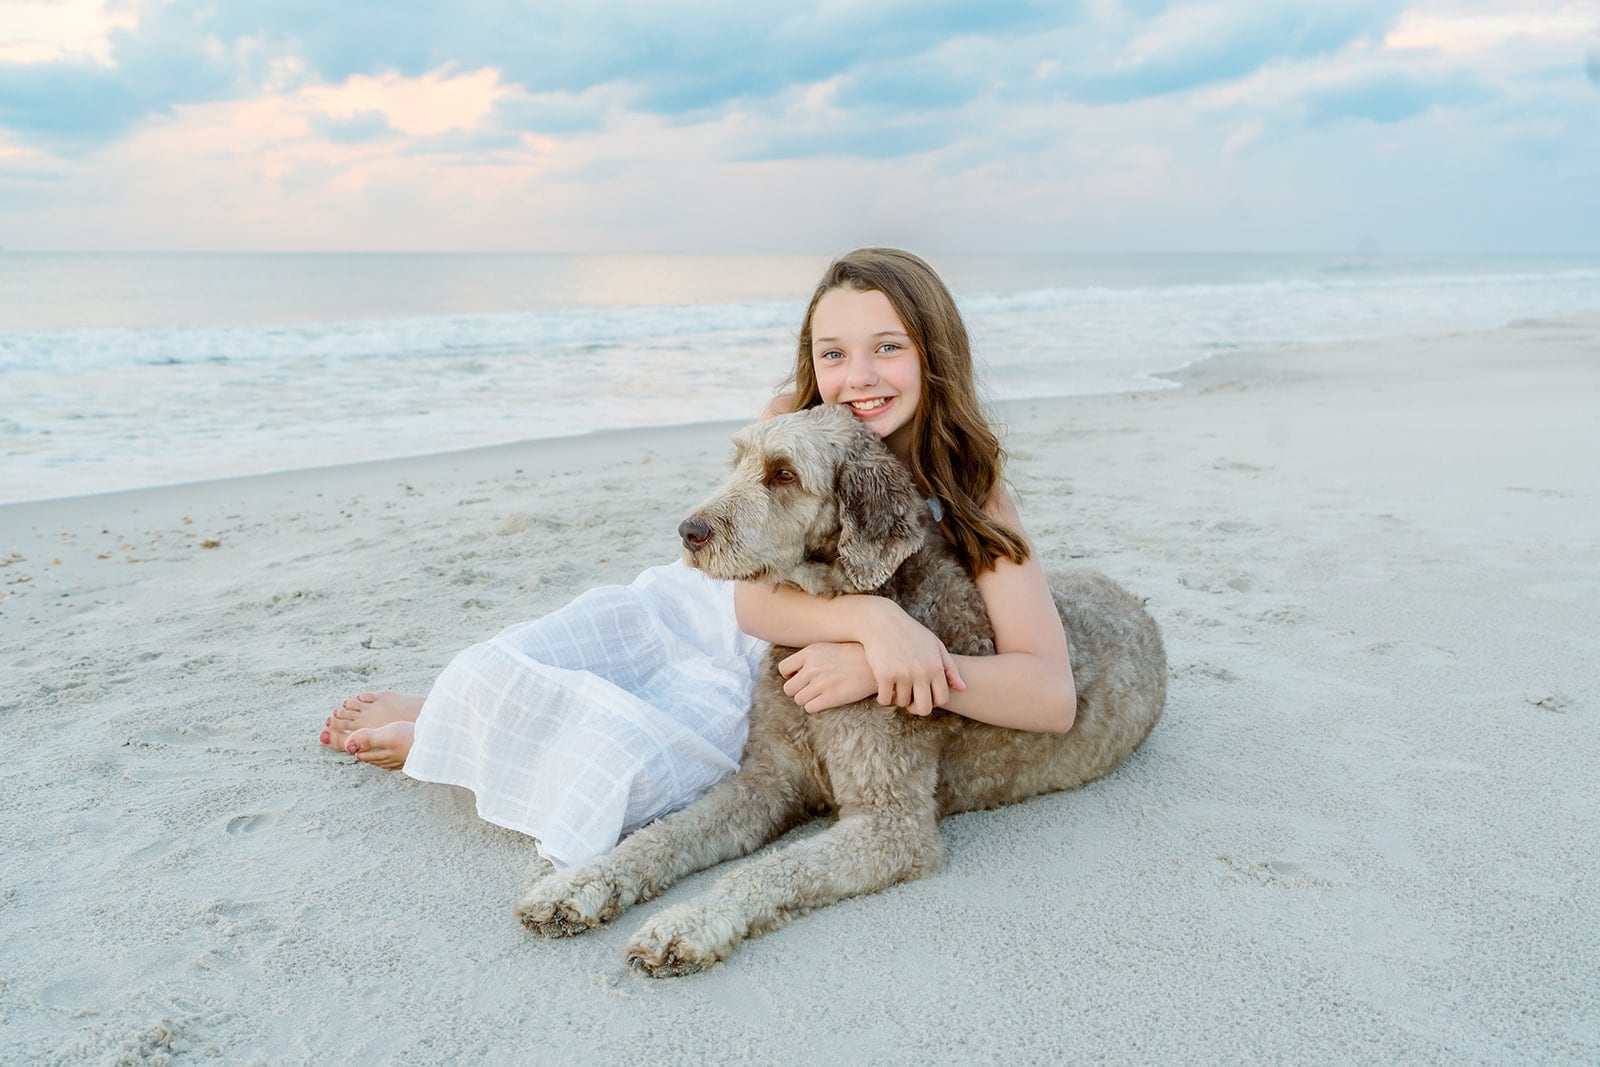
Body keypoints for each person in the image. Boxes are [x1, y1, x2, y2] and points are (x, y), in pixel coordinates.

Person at [319, 247, 1076, 868]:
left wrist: (883, 664)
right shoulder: (790, 423)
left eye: (888, 347)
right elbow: (748, 598)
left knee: (629, 761)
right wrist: (871, 621)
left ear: (934, 354)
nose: (859, 376)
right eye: (833, 353)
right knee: (522, 656)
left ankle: (449, 734)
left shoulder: (974, 491)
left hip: (777, 665)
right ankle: (452, 710)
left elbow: (1049, 693)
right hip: (715, 601)